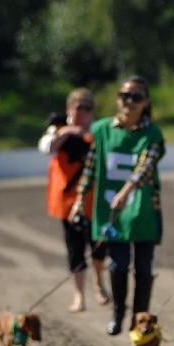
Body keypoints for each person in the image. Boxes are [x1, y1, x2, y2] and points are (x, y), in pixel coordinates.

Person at [70, 76, 166, 336]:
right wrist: (80, 199)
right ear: (117, 99)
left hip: (143, 210)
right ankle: (118, 314)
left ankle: (140, 320)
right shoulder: (101, 129)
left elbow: (145, 167)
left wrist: (126, 191)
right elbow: (90, 167)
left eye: (136, 97)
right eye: (125, 96)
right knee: (118, 265)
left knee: (144, 268)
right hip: (110, 213)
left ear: (145, 102)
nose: (130, 102)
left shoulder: (153, 134)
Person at [39, 88, 108, 312]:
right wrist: (70, 131)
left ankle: (98, 283)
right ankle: (79, 296)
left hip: (94, 202)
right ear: (70, 109)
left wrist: (85, 132)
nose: (84, 112)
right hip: (68, 203)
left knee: (98, 248)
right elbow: (46, 147)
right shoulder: (57, 129)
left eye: (88, 108)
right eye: (79, 107)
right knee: (74, 249)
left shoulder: (99, 131)